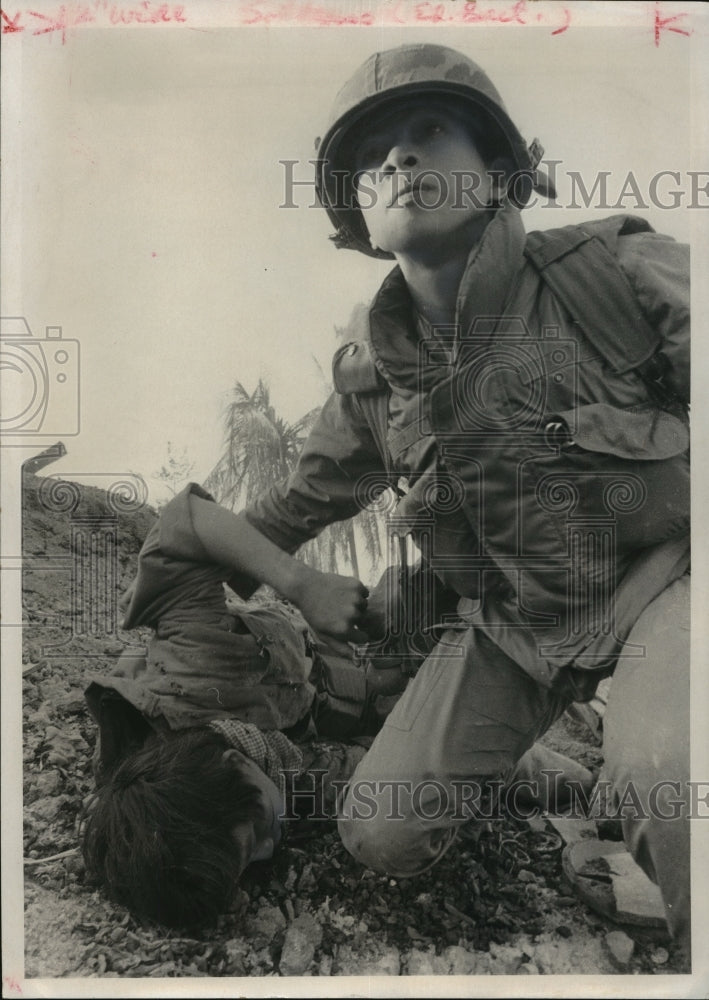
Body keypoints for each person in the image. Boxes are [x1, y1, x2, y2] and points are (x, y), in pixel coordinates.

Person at [208, 43, 688, 950]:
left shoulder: (613, 272)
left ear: (498, 171)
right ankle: (614, 818)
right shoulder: (373, 383)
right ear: (356, 207)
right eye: (373, 156)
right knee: (379, 830)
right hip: (524, 628)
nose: (397, 160)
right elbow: (290, 510)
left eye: (428, 132)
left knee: (667, 763)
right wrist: (188, 550)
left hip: (669, 574)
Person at [82, 483, 591, 928]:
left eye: (255, 834)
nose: (269, 849)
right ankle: (581, 776)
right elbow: (359, 773)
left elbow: (186, 524)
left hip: (372, 638)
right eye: (250, 864)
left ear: (235, 762)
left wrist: (304, 586)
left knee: (498, 568)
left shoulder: (190, 666)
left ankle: (569, 573)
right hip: (386, 693)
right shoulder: (263, 789)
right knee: (553, 782)